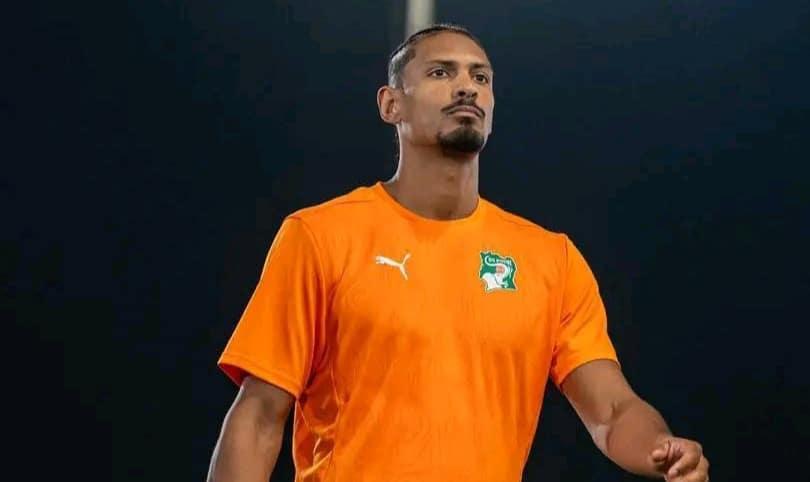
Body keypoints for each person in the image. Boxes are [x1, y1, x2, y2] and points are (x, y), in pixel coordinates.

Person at [207, 24, 710, 482]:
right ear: (391, 105)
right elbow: (259, 417)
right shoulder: (320, 236)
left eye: (480, 77)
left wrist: (661, 448)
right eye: (441, 72)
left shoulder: (550, 259)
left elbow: (613, 411)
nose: (466, 86)